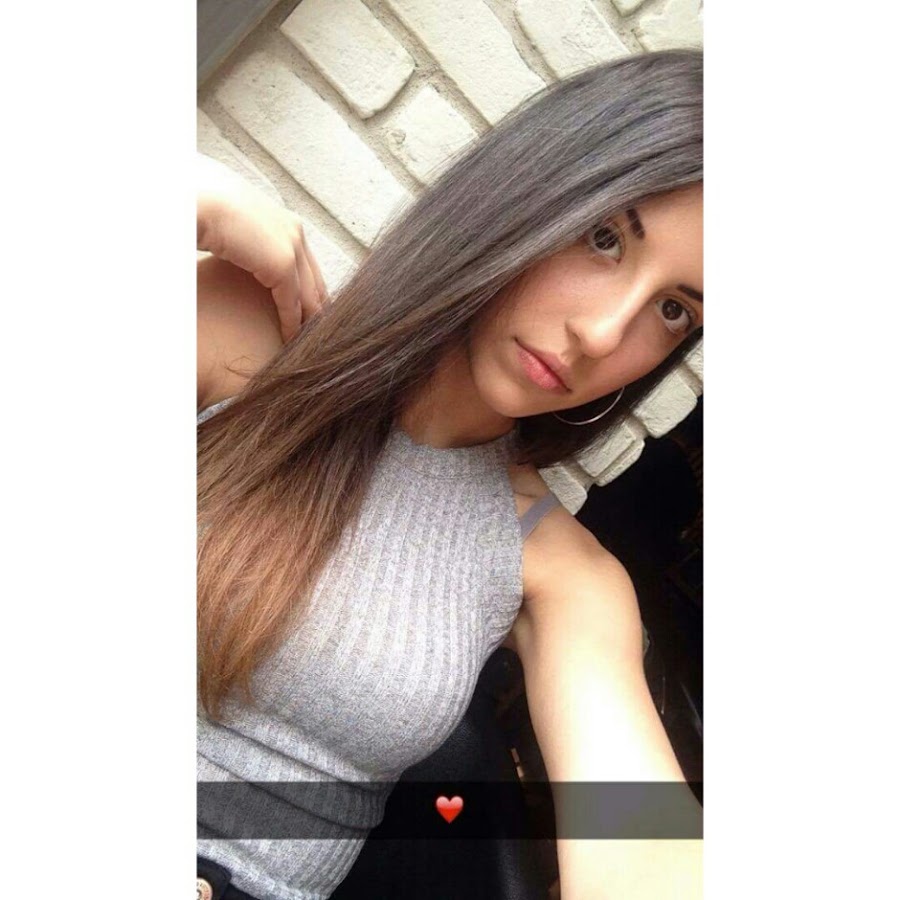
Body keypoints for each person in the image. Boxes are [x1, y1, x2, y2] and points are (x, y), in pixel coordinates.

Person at [196, 49, 704, 900]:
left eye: (673, 309)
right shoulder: (247, 337)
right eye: (606, 236)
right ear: (530, 188)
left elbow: (645, 852)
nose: (604, 335)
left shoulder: (557, 570)